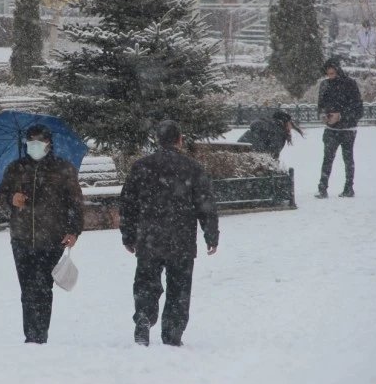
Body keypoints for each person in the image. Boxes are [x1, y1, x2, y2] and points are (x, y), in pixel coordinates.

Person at [119, 120, 219, 347]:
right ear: (180, 140)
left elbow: (128, 203)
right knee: (179, 288)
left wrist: (128, 234)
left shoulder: (141, 166)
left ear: (157, 140)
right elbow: (205, 204)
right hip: (181, 236)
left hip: (149, 236)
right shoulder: (192, 168)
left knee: (146, 281)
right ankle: (173, 332)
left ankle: (144, 316)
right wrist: (211, 235)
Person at [0, 124, 84, 344]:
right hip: (21, 238)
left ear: (49, 144)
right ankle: (30, 336)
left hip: (52, 238)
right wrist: (11, 200)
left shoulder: (63, 169)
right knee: (27, 290)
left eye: (39, 141)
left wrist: (74, 230)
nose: (34, 146)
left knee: (43, 288)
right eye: (30, 141)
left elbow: (75, 203)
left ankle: (40, 333)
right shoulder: (15, 168)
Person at [315, 57, 364, 198]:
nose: (330, 77)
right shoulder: (324, 85)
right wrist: (323, 115)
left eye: (332, 74)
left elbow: (358, 109)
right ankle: (322, 188)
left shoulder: (350, 84)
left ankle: (349, 188)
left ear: (338, 71)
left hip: (348, 130)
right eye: (328, 74)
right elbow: (320, 105)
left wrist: (341, 116)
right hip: (331, 129)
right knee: (327, 159)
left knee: (348, 159)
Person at [237, 110, 304, 160]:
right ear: (285, 123)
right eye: (290, 122)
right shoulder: (277, 132)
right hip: (254, 159)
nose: (291, 126)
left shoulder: (263, 128)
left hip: (238, 157)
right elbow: (272, 155)